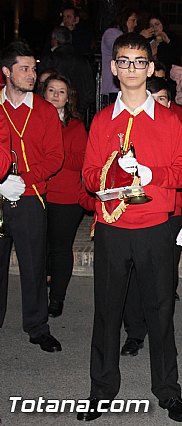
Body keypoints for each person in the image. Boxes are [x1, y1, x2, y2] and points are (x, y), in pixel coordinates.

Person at [80, 33, 182, 422]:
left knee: (160, 311)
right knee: (107, 312)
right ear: (114, 68)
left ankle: (167, 391)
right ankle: (101, 390)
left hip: (155, 228)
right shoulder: (100, 121)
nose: (132, 68)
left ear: (149, 67)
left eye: (139, 61)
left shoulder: (168, 119)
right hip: (113, 227)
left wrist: (152, 172)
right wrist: (114, 171)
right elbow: (89, 176)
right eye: (124, 61)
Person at [120, 76, 182, 357]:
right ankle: (134, 333)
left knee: (163, 285)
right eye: (152, 98)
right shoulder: (128, 129)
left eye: (163, 98)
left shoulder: (173, 128)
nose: (157, 104)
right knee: (131, 282)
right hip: (134, 214)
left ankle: (163, 339)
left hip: (170, 217)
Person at [0, 41, 63, 352]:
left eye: (33, 69)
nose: (31, 75)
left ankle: (37, 327)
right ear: (6, 72)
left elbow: (55, 158)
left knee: (34, 266)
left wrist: (21, 180)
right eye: (24, 69)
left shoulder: (46, 111)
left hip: (30, 197)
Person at [40, 72, 87, 318]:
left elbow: (82, 160)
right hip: (36, 192)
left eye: (61, 92)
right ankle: (38, 293)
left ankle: (56, 298)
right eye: (51, 90)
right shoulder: (33, 121)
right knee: (38, 246)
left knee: (60, 247)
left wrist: (54, 154)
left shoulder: (76, 126)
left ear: (68, 98)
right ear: (43, 93)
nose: (56, 96)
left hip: (66, 197)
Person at [39, 26, 95, 119]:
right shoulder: (83, 61)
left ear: (54, 40)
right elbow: (90, 92)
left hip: (51, 114)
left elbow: (40, 87)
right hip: (78, 113)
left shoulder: (50, 59)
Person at [100, 8, 153, 104]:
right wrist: (140, 37)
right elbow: (123, 49)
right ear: (123, 20)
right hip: (113, 89)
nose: (135, 24)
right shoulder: (111, 33)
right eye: (132, 20)